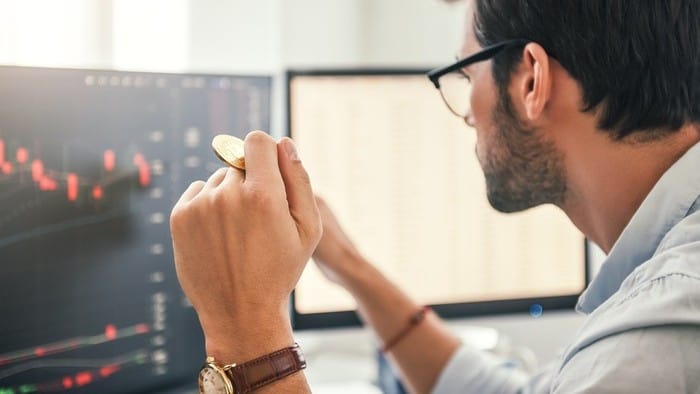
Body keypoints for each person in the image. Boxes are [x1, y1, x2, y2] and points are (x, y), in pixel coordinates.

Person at [169, 0, 700, 392]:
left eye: (466, 74)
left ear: (532, 81)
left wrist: (245, 330)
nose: (467, 110)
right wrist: (347, 264)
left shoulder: (659, 335)